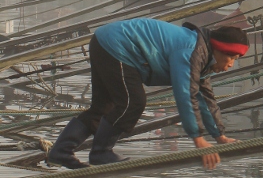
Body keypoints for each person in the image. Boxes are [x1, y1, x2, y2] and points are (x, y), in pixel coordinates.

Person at [47, 20, 249, 170]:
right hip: (117, 46)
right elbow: (186, 94)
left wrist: (219, 135)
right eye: (230, 57)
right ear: (217, 50)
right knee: (132, 103)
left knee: (103, 107)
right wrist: (198, 139)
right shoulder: (191, 51)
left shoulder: (204, 59)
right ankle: (101, 153)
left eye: (236, 59)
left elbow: (205, 99)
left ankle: (61, 151)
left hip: (105, 41)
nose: (231, 64)